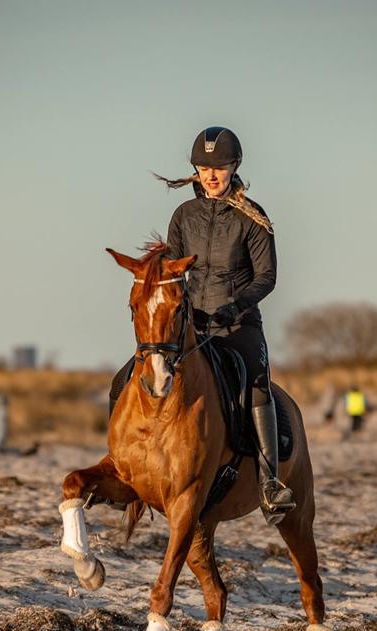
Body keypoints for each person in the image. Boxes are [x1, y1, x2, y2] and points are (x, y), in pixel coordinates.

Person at [109, 126, 293, 523]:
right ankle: (122, 470)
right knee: (126, 376)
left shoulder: (253, 218)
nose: (211, 174)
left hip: (238, 324)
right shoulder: (183, 215)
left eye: (220, 167)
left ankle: (269, 482)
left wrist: (235, 305)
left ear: (235, 167)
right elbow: (171, 271)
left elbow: (267, 277)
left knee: (256, 384)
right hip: (191, 326)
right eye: (203, 167)